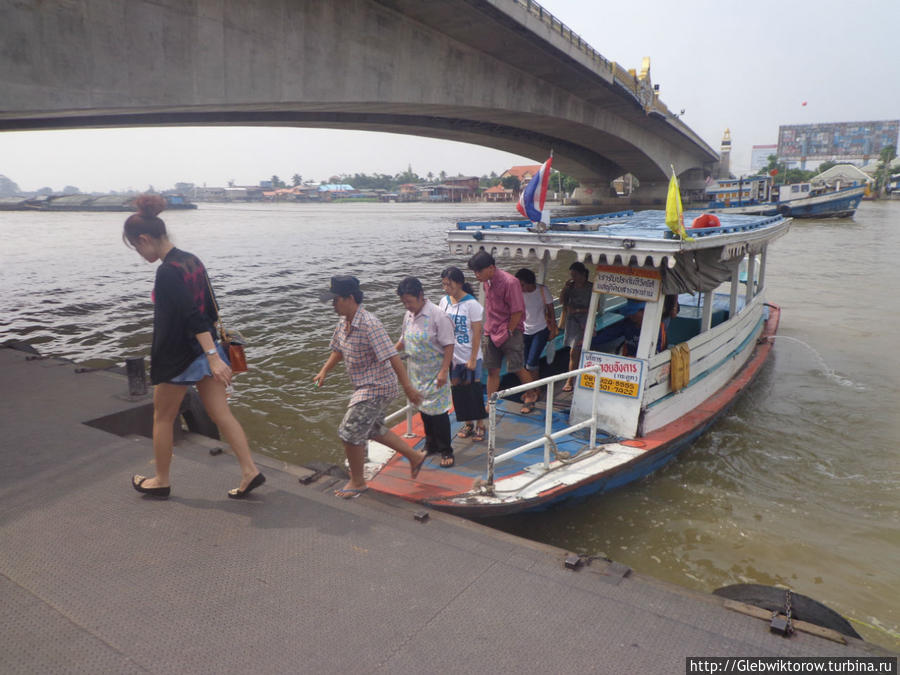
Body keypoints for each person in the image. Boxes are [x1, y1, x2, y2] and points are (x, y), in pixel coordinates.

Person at [124, 194, 264, 500]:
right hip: (204, 350)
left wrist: (214, 358)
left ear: (145, 238)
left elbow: (191, 315)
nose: (139, 253)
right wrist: (212, 351)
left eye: (136, 247)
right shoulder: (192, 260)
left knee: (162, 417)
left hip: (179, 357)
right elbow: (211, 311)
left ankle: (161, 479)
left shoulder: (167, 271)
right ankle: (249, 470)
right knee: (221, 413)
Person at [313, 275, 427, 498]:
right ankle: (416, 457)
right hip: (363, 385)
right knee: (372, 429)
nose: (332, 304)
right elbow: (338, 349)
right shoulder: (343, 322)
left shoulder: (369, 324)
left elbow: (393, 357)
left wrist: (408, 389)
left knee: (349, 431)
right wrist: (324, 370)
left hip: (378, 386)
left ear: (350, 298)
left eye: (335, 300)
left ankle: (358, 482)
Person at [395, 277, 457, 468]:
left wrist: (444, 371)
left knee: (438, 413)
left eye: (409, 301)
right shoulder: (409, 315)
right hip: (416, 372)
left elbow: (449, 345)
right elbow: (403, 340)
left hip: (436, 371)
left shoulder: (438, 315)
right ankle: (430, 444)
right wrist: (388, 353)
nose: (407, 306)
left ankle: (446, 449)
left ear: (421, 296)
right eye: (404, 302)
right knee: (423, 410)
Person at [466, 251, 537, 414]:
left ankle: (531, 395)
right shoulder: (487, 282)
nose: (477, 275)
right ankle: (491, 404)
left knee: (518, 367)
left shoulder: (510, 282)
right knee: (492, 370)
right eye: (474, 272)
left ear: (491, 268)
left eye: (479, 271)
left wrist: (509, 331)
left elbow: (517, 311)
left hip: (510, 330)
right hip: (491, 330)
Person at [438, 266, 487, 442]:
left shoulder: (472, 305)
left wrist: (473, 358)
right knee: (458, 391)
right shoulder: (444, 302)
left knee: (473, 390)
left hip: (469, 354)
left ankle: (480, 424)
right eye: (443, 285)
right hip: (452, 356)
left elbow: (476, 333)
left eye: (449, 284)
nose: (446, 288)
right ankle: (468, 423)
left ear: (459, 283)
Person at [514, 268, 558, 375]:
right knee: (524, 363)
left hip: (540, 329)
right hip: (524, 330)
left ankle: (536, 390)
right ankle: (531, 390)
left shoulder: (543, 290)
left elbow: (551, 311)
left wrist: (552, 330)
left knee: (531, 363)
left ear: (530, 283)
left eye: (522, 285)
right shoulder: (519, 293)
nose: (520, 288)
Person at [559, 261, 592, 391]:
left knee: (574, 351)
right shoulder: (570, 287)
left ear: (583, 274)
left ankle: (570, 380)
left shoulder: (590, 288)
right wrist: (565, 288)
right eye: (571, 275)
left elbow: (594, 307)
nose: (573, 278)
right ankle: (574, 376)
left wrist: (578, 311)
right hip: (572, 322)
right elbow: (562, 301)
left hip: (584, 322)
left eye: (575, 275)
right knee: (574, 350)